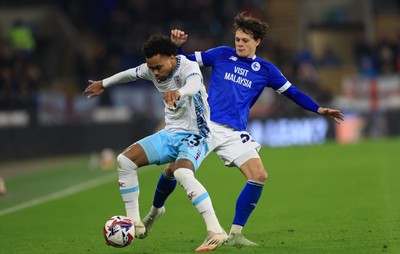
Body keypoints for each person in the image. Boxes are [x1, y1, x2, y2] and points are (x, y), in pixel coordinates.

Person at [141, 12, 345, 248]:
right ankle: (154, 213)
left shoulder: (266, 70)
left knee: (259, 175)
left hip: (235, 132)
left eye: (244, 40)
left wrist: (318, 109)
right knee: (172, 169)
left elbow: (293, 93)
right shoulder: (221, 54)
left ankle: (235, 234)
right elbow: (182, 62)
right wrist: (175, 48)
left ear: (257, 41)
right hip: (205, 125)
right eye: (237, 39)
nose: (239, 43)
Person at [83, 34, 227, 252]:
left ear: (172, 57)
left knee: (181, 173)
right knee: (125, 160)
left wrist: (179, 92)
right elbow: (130, 74)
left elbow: (195, 84)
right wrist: (104, 83)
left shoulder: (188, 67)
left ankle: (215, 230)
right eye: (152, 68)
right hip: (170, 135)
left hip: (198, 134)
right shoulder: (152, 70)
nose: (156, 73)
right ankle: (135, 223)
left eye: (159, 67)